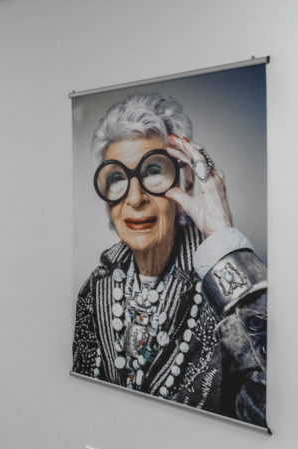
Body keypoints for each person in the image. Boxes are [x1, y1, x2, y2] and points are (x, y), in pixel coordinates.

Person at [72, 92, 267, 428]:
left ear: (185, 179)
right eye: (117, 178)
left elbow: (277, 405)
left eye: (152, 172)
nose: (135, 198)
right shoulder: (96, 289)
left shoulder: (220, 292)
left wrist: (223, 240)